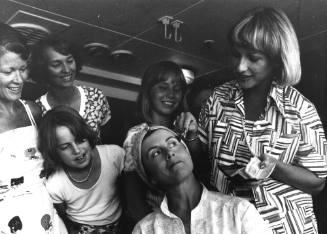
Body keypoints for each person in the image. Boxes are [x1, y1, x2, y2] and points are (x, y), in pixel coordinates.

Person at [197, 7, 327, 233]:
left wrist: (275, 167)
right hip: (228, 225)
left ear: (276, 60)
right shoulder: (217, 100)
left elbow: (317, 182)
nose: (240, 66)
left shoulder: (300, 108)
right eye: (236, 54)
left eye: (253, 58)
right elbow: (200, 164)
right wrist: (189, 134)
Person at [129, 124, 271, 234]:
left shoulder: (238, 212)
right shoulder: (145, 230)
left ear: (187, 152)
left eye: (172, 143)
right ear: (151, 177)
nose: (169, 153)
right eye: (156, 153)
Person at [0, 23, 67, 233]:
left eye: (22, 69)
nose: (19, 80)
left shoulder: (33, 111)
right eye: (8, 71)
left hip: (44, 214)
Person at [123, 61, 198, 229]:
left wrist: (192, 135)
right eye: (163, 87)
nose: (171, 94)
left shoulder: (185, 127)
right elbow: (133, 194)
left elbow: (201, 173)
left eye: (177, 88)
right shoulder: (136, 134)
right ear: (148, 91)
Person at [37, 106, 125, 234]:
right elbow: (62, 218)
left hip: (121, 225)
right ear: (54, 152)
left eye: (80, 140)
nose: (77, 151)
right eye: (65, 146)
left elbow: (130, 194)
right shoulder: (55, 183)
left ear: (87, 136)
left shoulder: (114, 155)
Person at [30, 36, 111, 142]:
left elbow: (107, 138)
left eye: (69, 61)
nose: (67, 69)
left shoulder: (96, 96)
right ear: (43, 69)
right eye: (56, 64)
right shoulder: (38, 109)